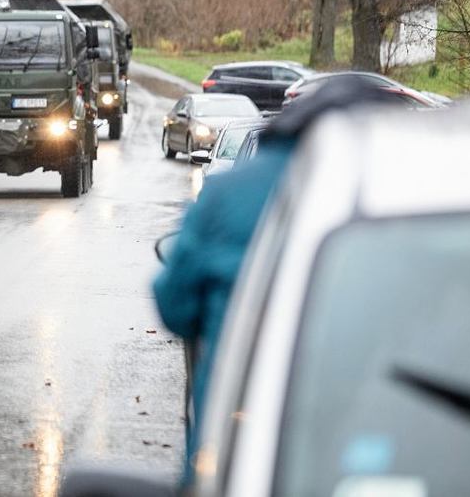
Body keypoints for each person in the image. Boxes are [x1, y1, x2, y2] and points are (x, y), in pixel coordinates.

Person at [153, 77, 395, 483]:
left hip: (236, 439)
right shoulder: (406, 191)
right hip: (379, 445)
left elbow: (174, 306)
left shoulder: (229, 192)